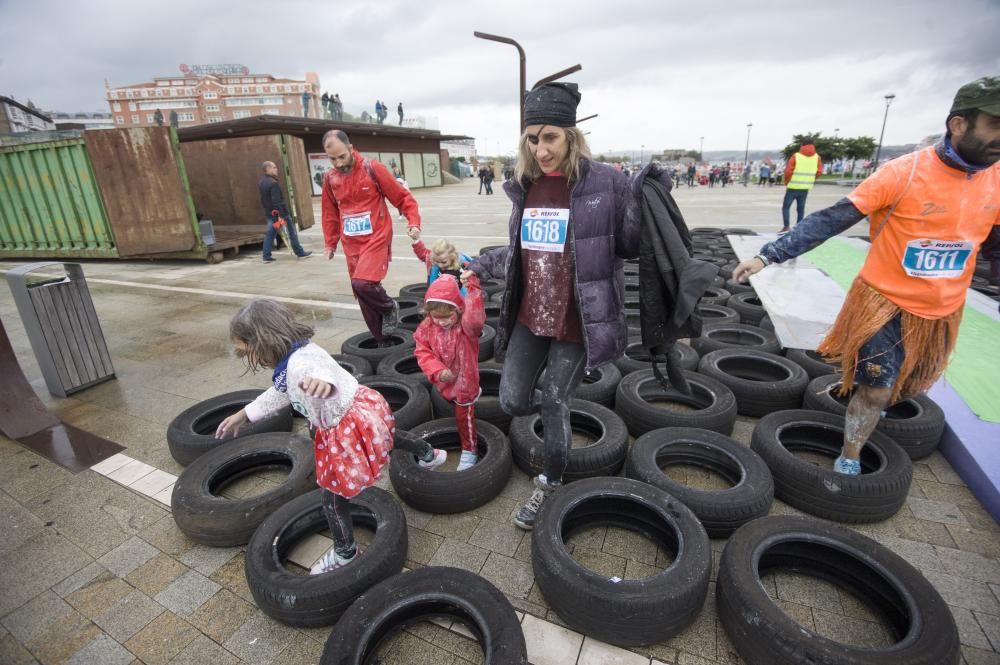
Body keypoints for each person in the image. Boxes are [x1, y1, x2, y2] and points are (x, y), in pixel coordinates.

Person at [732, 76, 1000, 476]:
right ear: (959, 124)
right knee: (874, 388)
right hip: (885, 305)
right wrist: (768, 255)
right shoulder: (903, 173)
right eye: (995, 124)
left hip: (943, 311)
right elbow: (832, 219)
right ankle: (850, 457)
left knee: (907, 387)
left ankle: (881, 409)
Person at [466, 82, 668, 529]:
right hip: (530, 317)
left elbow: (632, 246)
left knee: (555, 398)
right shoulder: (525, 187)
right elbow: (522, 254)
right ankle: (560, 414)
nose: (541, 149)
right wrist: (478, 264)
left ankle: (549, 481)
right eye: (533, 138)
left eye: (550, 137)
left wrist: (644, 197)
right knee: (515, 399)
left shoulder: (606, 183)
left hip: (579, 319)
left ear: (572, 136)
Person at [215, 299, 446, 574]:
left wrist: (324, 385)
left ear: (263, 339)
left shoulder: (301, 365)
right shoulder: (298, 351)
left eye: (247, 351)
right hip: (361, 408)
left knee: (332, 496)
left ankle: (345, 553)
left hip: (345, 423)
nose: (248, 358)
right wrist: (246, 413)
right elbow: (283, 391)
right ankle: (428, 453)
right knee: (385, 437)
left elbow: (319, 374)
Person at [321, 129, 421, 339]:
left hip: (377, 237)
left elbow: (402, 197)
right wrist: (330, 243)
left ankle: (388, 306)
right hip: (352, 244)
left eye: (342, 156)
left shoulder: (372, 168)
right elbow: (329, 213)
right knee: (362, 296)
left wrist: (413, 221)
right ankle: (381, 341)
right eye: (332, 159)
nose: (338, 163)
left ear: (350, 148)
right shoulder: (330, 179)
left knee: (362, 282)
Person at [414, 275, 485, 472]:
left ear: (458, 309)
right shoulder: (427, 327)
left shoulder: (466, 326)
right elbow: (422, 350)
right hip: (444, 378)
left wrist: (473, 287)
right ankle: (467, 395)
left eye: (447, 316)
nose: (442, 321)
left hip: (465, 378)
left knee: (464, 414)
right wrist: (436, 370)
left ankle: (470, 449)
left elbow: (476, 319)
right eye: (437, 317)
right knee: (448, 400)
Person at [259, 161, 312, 262]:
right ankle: (300, 252)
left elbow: (264, 200)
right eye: (274, 167)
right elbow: (276, 201)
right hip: (280, 214)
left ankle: (266, 256)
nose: (276, 169)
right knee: (292, 232)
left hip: (270, 214)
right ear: (268, 169)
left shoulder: (262, 182)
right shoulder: (273, 183)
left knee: (270, 234)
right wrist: (280, 216)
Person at [408, 228, 473, 293]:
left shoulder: (462, 263)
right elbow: (423, 253)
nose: (440, 265)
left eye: (444, 262)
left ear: (452, 257)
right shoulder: (433, 261)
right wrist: (416, 240)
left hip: (458, 296)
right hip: (437, 294)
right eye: (437, 262)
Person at [779, 143, 824, 233]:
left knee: (786, 207)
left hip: (793, 186)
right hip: (805, 187)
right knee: (800, 208)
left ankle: (786, 227)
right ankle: (799, 228)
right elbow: (819, 171)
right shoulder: (817, 157)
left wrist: (786, 181)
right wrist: (811, 179)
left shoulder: (796, 156)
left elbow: (788, 170)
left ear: (802, 146)